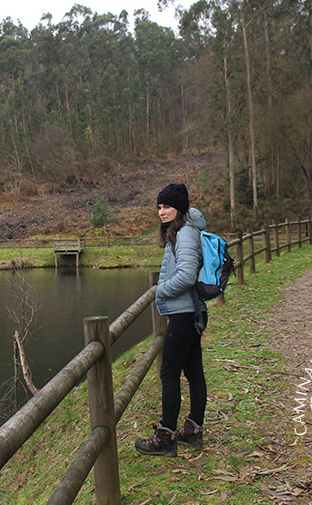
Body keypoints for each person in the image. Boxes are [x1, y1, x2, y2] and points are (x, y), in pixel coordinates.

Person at [135, 183, 207, 456]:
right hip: (190, 311)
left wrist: (160, 290)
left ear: (179, 208)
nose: (161, 212)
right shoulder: (184, 230)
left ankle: (165, 437)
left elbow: (187, 275)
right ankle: (193, 430)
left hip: (184, 314)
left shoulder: (186, 234)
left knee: (169, 374)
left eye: (166, 207)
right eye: (159, 207)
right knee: (193, 372)